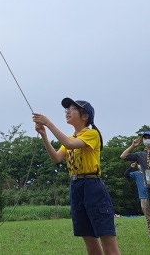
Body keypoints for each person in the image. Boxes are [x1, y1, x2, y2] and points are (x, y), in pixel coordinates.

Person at [32, 98, 120, 255]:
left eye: (72, 108)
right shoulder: (71, 138)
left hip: (92, 186)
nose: (67, 111)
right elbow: (56, 158)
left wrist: (49, 123)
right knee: (89, 240)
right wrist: (44, 135)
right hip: (76, 187)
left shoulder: (91, 134)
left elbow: (69, 144)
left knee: (108, 243)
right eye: (67, 109)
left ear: (85, 116)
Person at [120, 130, 150, 217]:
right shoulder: (140, 155)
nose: (147, 140)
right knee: (149, 218)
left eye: (149, 138)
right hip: (148, 188)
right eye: (145, 138)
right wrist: (133, 146)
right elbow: (123, 156)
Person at [123, 161, 150, 237]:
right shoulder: (136, 174)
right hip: (144, 197)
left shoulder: (149, 172)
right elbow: (126, 175)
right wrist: (131, 167)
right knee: (148, 216)